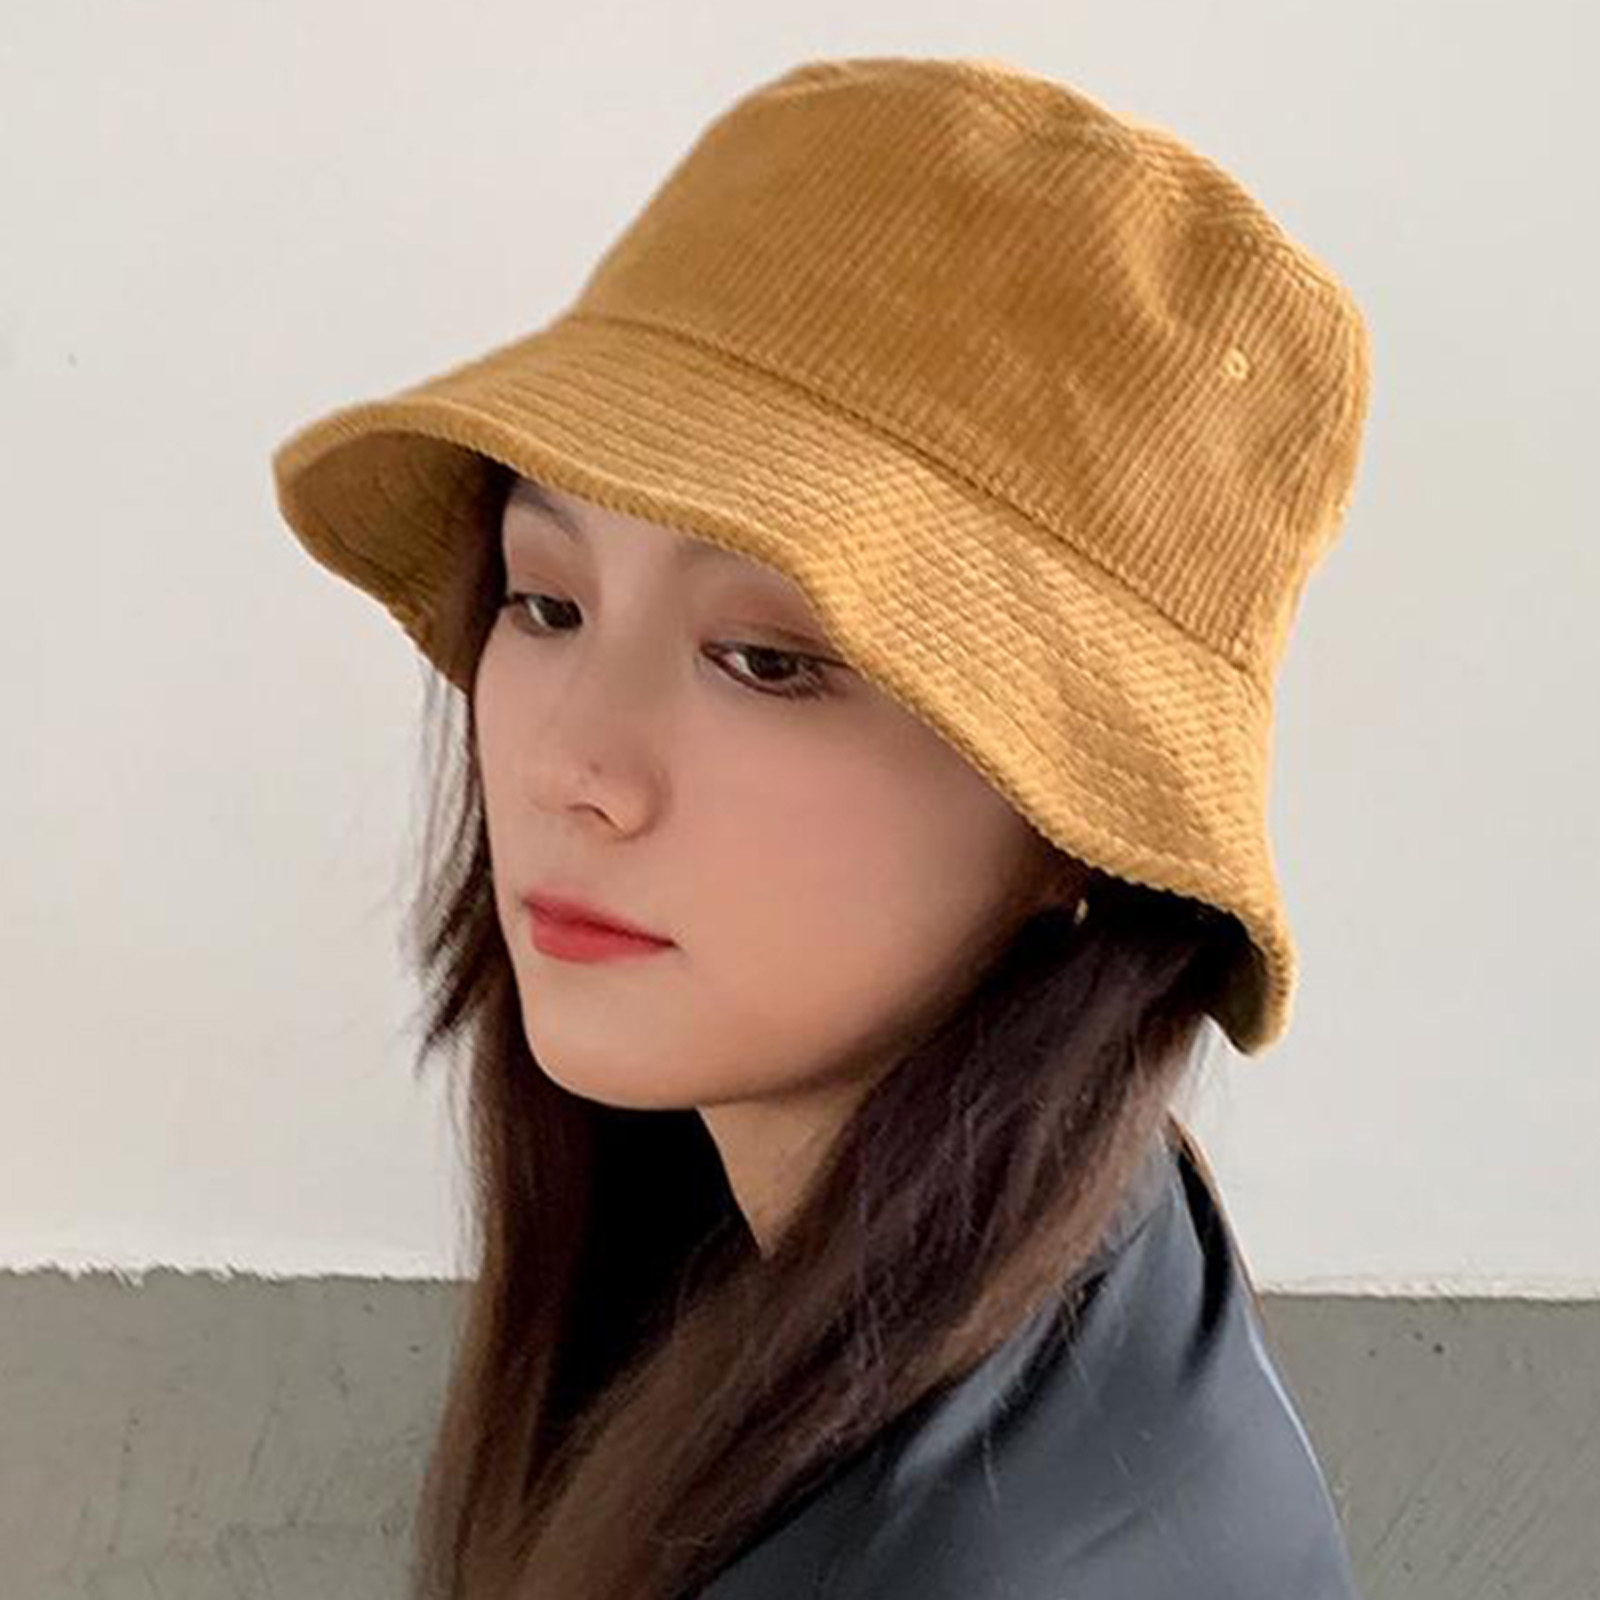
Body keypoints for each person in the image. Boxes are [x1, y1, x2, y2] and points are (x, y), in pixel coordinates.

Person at [271, 54, 1373, 1600]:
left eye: (767, 661)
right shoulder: (1067, 1236)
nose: (578, 769)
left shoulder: (958, 1541)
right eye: (546, 602)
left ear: (1077, 819)